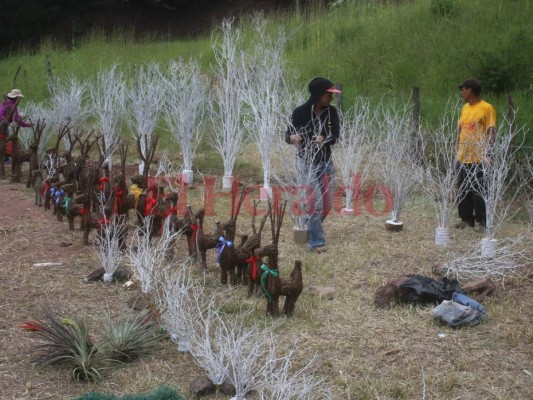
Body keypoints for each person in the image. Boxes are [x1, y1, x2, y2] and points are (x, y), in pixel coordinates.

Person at [286, 77, 341, 253]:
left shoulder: (332, 112)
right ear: (319, 94)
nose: (331, 98)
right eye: (328, 94)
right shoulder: (300, 112)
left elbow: (335, 137)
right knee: (315, 204)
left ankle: (308, 223)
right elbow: (288, 134)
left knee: (326, 205)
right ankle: (316, 242)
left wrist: (325, 139)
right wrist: (293, 138)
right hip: (306, 164)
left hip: (325, 163)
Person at [455, 78, 496, 230]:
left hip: (479, 158)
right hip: (463, 157)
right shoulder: (465, 107)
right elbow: (460, 130)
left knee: (479, 191)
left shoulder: (487, 108)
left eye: (463, 89)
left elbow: (491, 132)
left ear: (469, 90)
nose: (461, 92)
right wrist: (457, 149)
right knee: (462, 189)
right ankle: (466, 219)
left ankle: (482, 222)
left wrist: (488, 153)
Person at [0, 88, 32, 162]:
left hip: (3, 123)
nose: (19, 99)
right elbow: (17, 120)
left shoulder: (6, 103)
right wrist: (27, 125)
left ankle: (5, 157)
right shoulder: (11, 105)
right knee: (5, 140)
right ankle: (5, 158)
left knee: (4, 139)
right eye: (18, 97)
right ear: (15, 97)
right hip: (2, 124)